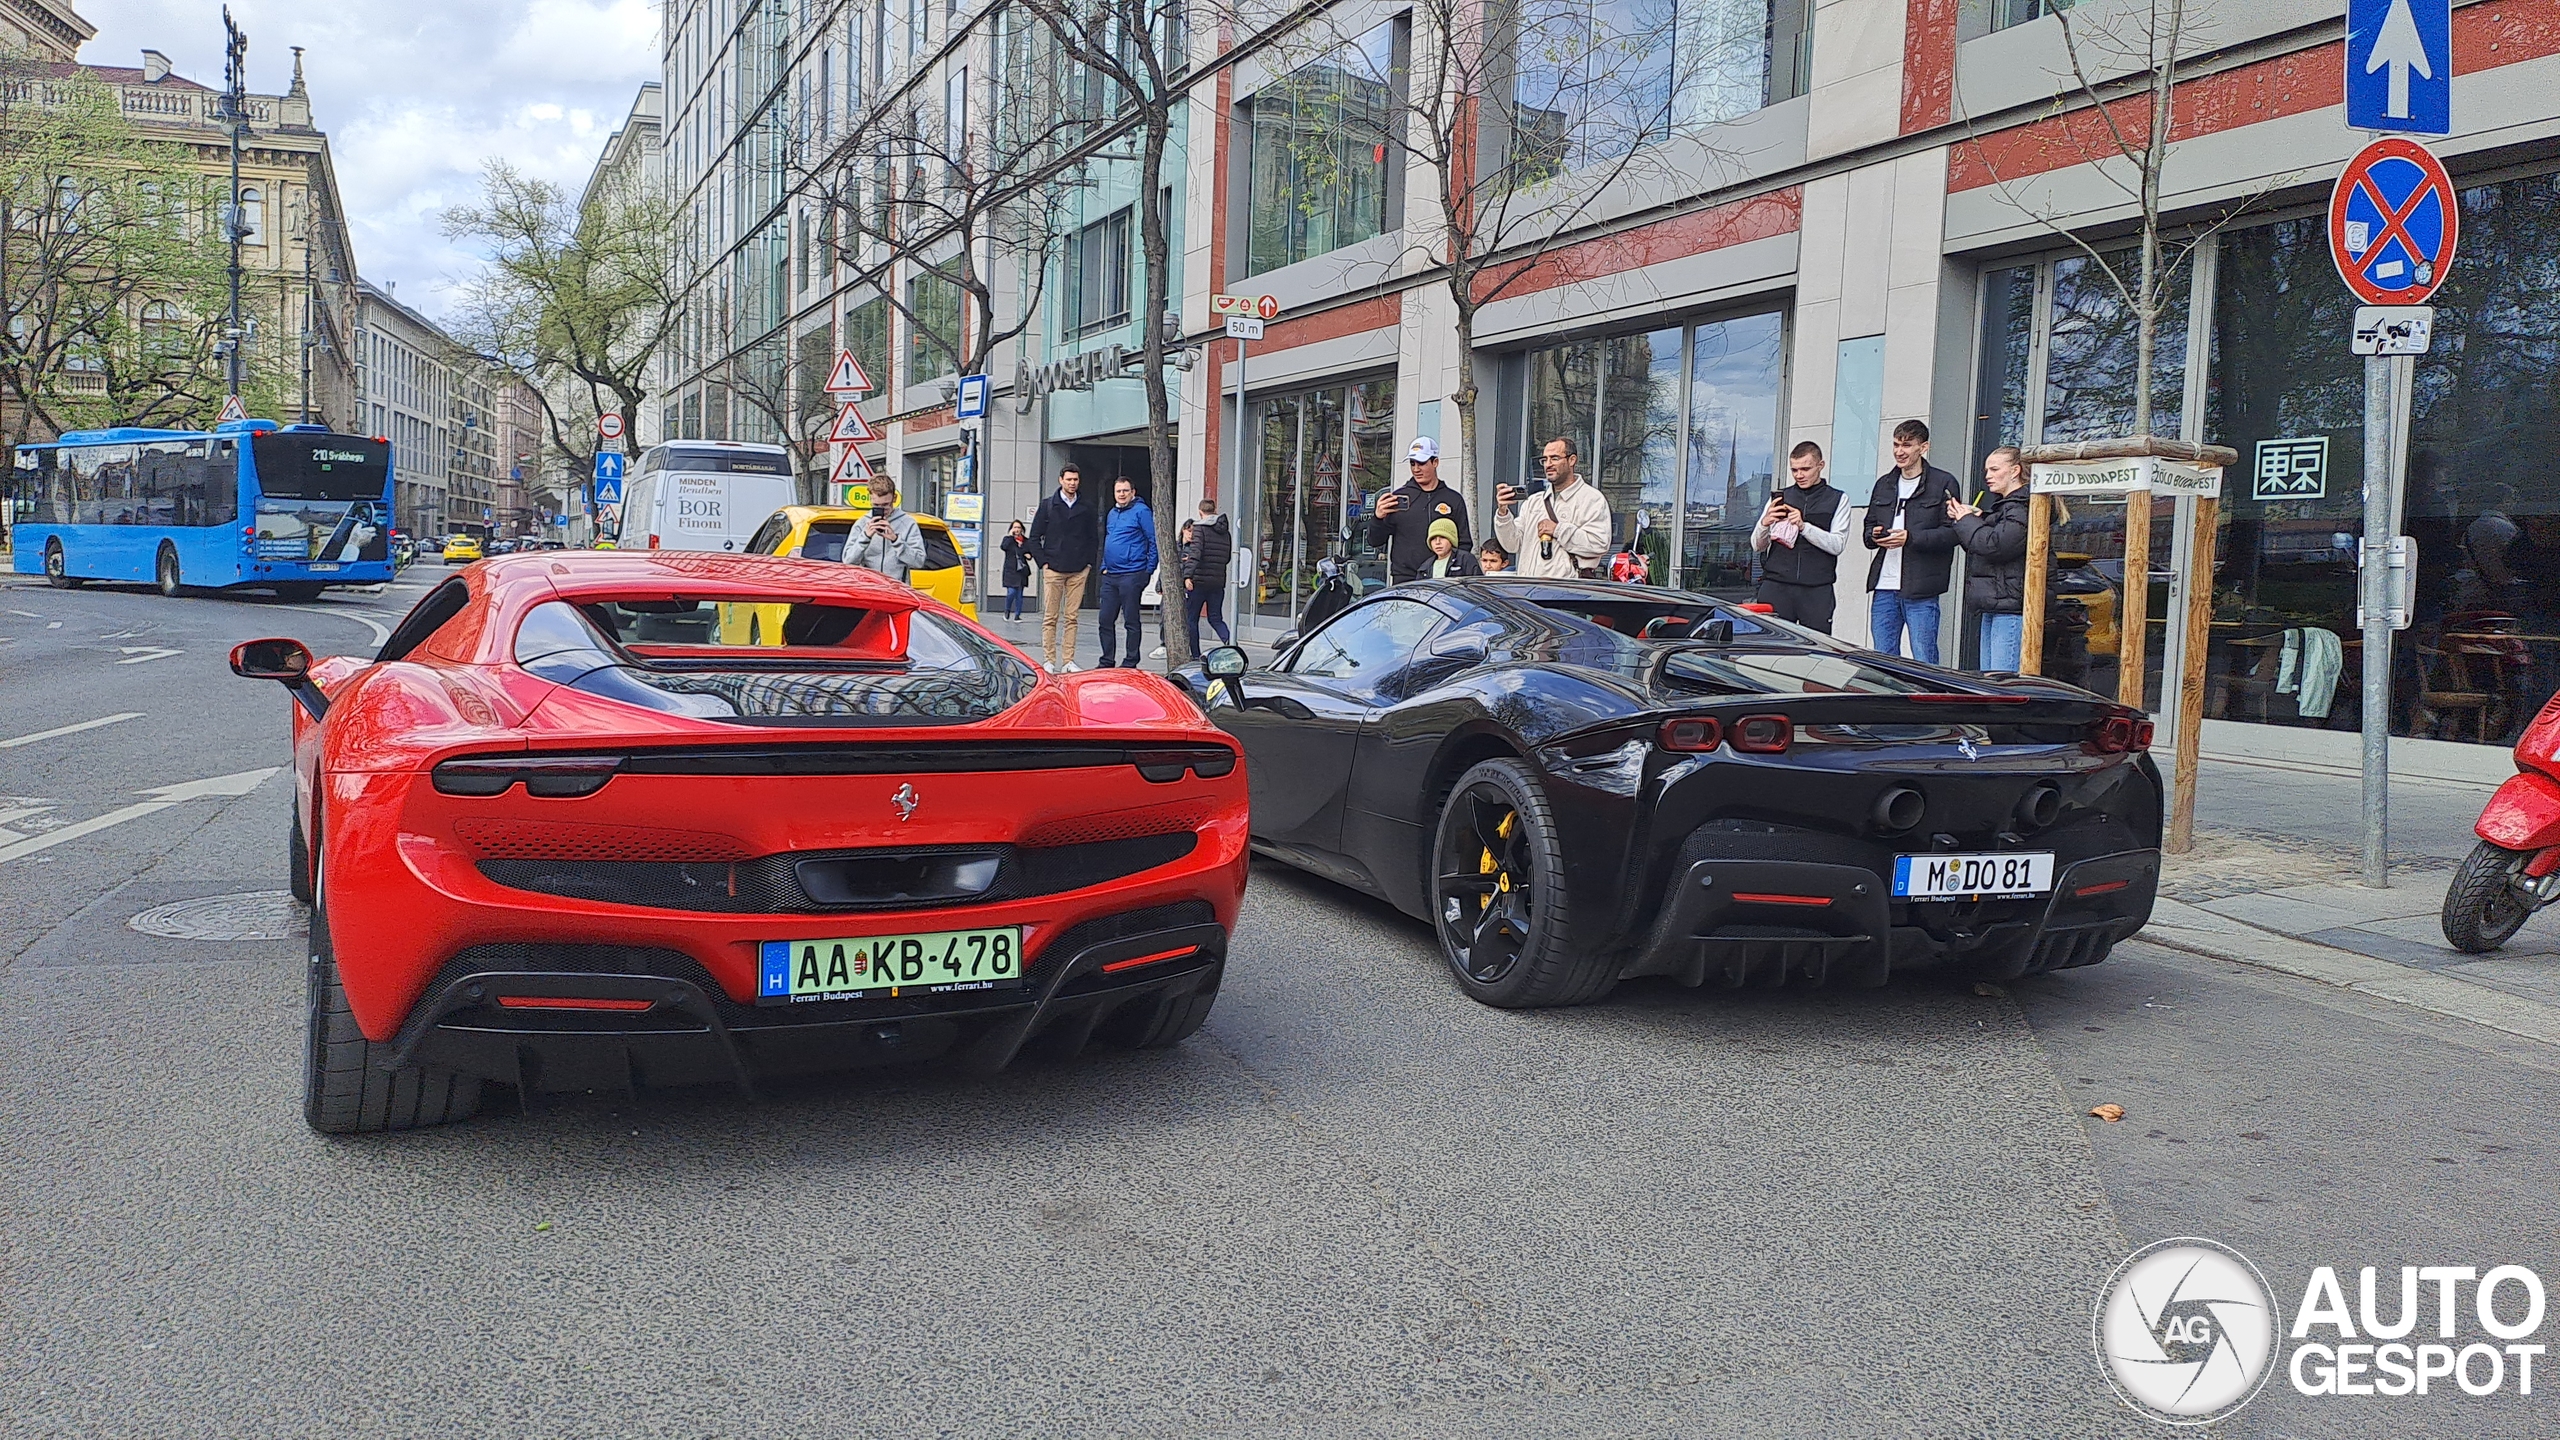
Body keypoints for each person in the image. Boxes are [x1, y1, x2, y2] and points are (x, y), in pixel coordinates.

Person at [1861, 419, 1962, 664]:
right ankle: (1889, 701)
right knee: (1883, 660)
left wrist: (1911, 538)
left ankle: (1930, 702)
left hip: (1921, 588)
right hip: (1884, 585)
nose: (1899, 451)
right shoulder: (1884, 484)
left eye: (1906, 445)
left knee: (1924, 658)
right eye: (1896, 444)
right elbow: (1867, 529)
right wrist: (1874, 535)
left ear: (1923, 447)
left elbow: (1953, 533)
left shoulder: (1943, 483)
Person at [1751, 441, 1852, 633]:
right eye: (1794, 470)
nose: (1799, 475)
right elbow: (1757, 545)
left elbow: (1837, 545)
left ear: (1820, 466)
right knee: (1770, 647)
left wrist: (1804, 527)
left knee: (1816, 652)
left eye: (1805, 469)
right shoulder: (1781, 497)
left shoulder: (1838, 498)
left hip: (1816, 588)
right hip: (1777, 585)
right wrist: (1764, 523)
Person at [1948, 446, 2031, 671]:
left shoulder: (2021, 507)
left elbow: (1996, 545)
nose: (1988, 475)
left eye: (1994, 469)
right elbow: (1982, 546)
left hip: (2010, 604)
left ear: (2015, 471)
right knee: (1990, 679)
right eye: (1986, 470)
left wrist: (1968, 521)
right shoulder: (2005, 508)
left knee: (2002, 684)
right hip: (1997, 602)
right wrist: (1973, 519)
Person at [1495, 436, 1611, 579]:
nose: (1548, 464)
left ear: (1572, 460)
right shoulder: (1534, 502)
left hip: (1565, 593)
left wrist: (1558, 530)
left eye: (1555, 458)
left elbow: (1598, 544)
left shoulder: (1591, 499)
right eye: (1545, 460)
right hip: (1527, 589)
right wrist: (1503, 512)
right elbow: (1512, 545)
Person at [1368, 437, 1471, 583]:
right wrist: (1378, 518)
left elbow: (1464, 543)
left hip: (1442, 579)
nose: (1416, 469)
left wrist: (1454, 571)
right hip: (1405, 579)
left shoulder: (1453, 499)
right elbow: (1375, 541)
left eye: (1421, 463)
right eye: (1412, 463)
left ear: (1435, 462)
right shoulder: (1397, 498)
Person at [1027, 463, 1099, 672]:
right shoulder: (1048, 505)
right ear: (1061, 480)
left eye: (1075, 480)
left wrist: (1088, 564)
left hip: (1078, 569)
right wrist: (1044, 563)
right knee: (1050, 616)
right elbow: (1033, 537)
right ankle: (1049, 660)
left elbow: (1093, 537)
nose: (1072, 483)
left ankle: (1068, 660)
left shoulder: (1086, 507)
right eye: (1068, 479)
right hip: (1054, 569)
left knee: (1072, 617)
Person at [1096, 476, 1157, 668]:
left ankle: (1131, 661)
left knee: (1131, 620)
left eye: (1125, 491)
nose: (1121, 494)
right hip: (1111, 575)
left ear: (1133, 492)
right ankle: (1107, 660)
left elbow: (1153, 540)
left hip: (1132, 573)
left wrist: (1147, 570)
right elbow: (1109, 539)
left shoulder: (1142, 511)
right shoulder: (1112, 513)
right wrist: (1104, 566)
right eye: (1118, 491)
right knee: (1105, 620)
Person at [843, 477, 927, 581]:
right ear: (870, 499)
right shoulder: (862, 523)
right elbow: (848, 561)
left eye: (886, 505)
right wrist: (865, 537)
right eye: (876, 505)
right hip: (868, 588)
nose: (882, 509)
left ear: (894, 498)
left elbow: (919, 562)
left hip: (897, 590)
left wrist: (896, 540)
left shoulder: (908, 524)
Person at [1184, 497, 1234, 652]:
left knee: (1192, 619)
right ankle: (1230, 644)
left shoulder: (1199, 529)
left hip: (1199, 581)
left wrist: (1187, 576)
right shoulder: (1225, 531)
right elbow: (1227, 557)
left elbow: (1196, 554)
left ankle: (1195, 654)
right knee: (1216, 618)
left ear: (1200, 512)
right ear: (1214, 511)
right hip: (1218, 582)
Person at [999, 519, 1032, 621]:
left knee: (1019, 595)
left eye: (1018, 527)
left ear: (1022, 529)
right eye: (1015, 527)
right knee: (1011, 592)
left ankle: (1017, 615)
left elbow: (1030, 554)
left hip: (1021, 571)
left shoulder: (1026, 541)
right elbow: (1003, 547)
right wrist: (1010, 536)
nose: (1017, 529)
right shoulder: (1008, 540)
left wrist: (1028, 554)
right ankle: (1007, 610)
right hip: (1010, 570)